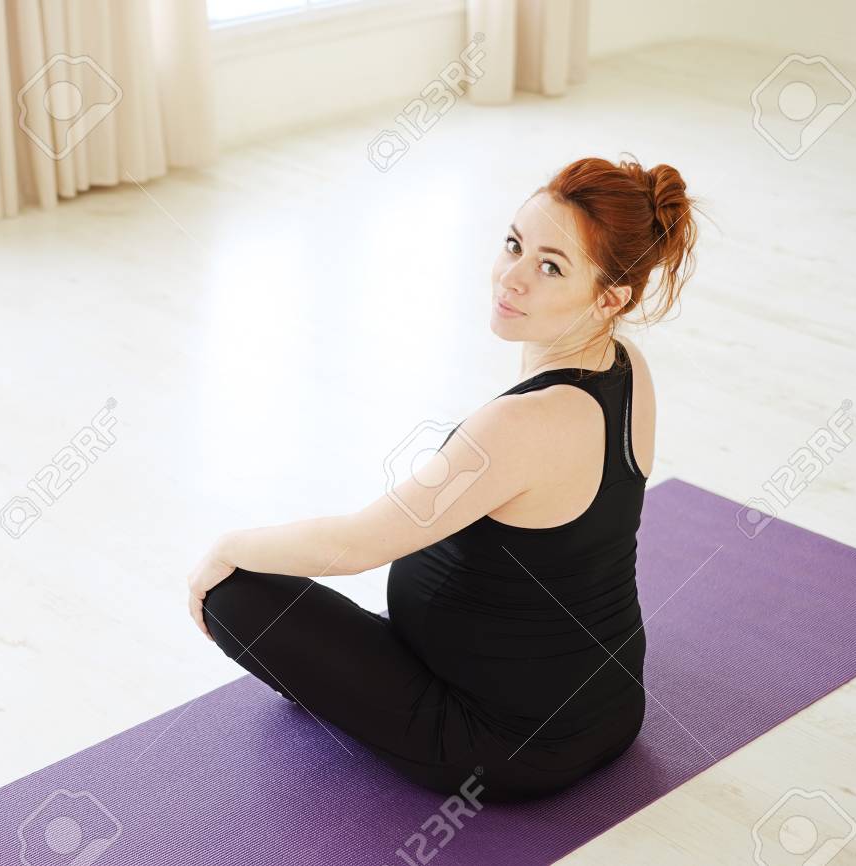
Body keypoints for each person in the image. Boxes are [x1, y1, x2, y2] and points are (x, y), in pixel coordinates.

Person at [185, 155, 701, 802]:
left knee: (234, 595)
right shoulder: (626, 365)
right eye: (515, 244)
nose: (510, 278)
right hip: (615, 705)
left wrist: (224, 551)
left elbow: (357, 546)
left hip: (498, 746)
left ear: (610, 296)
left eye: (550, 266)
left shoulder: (523, 424)